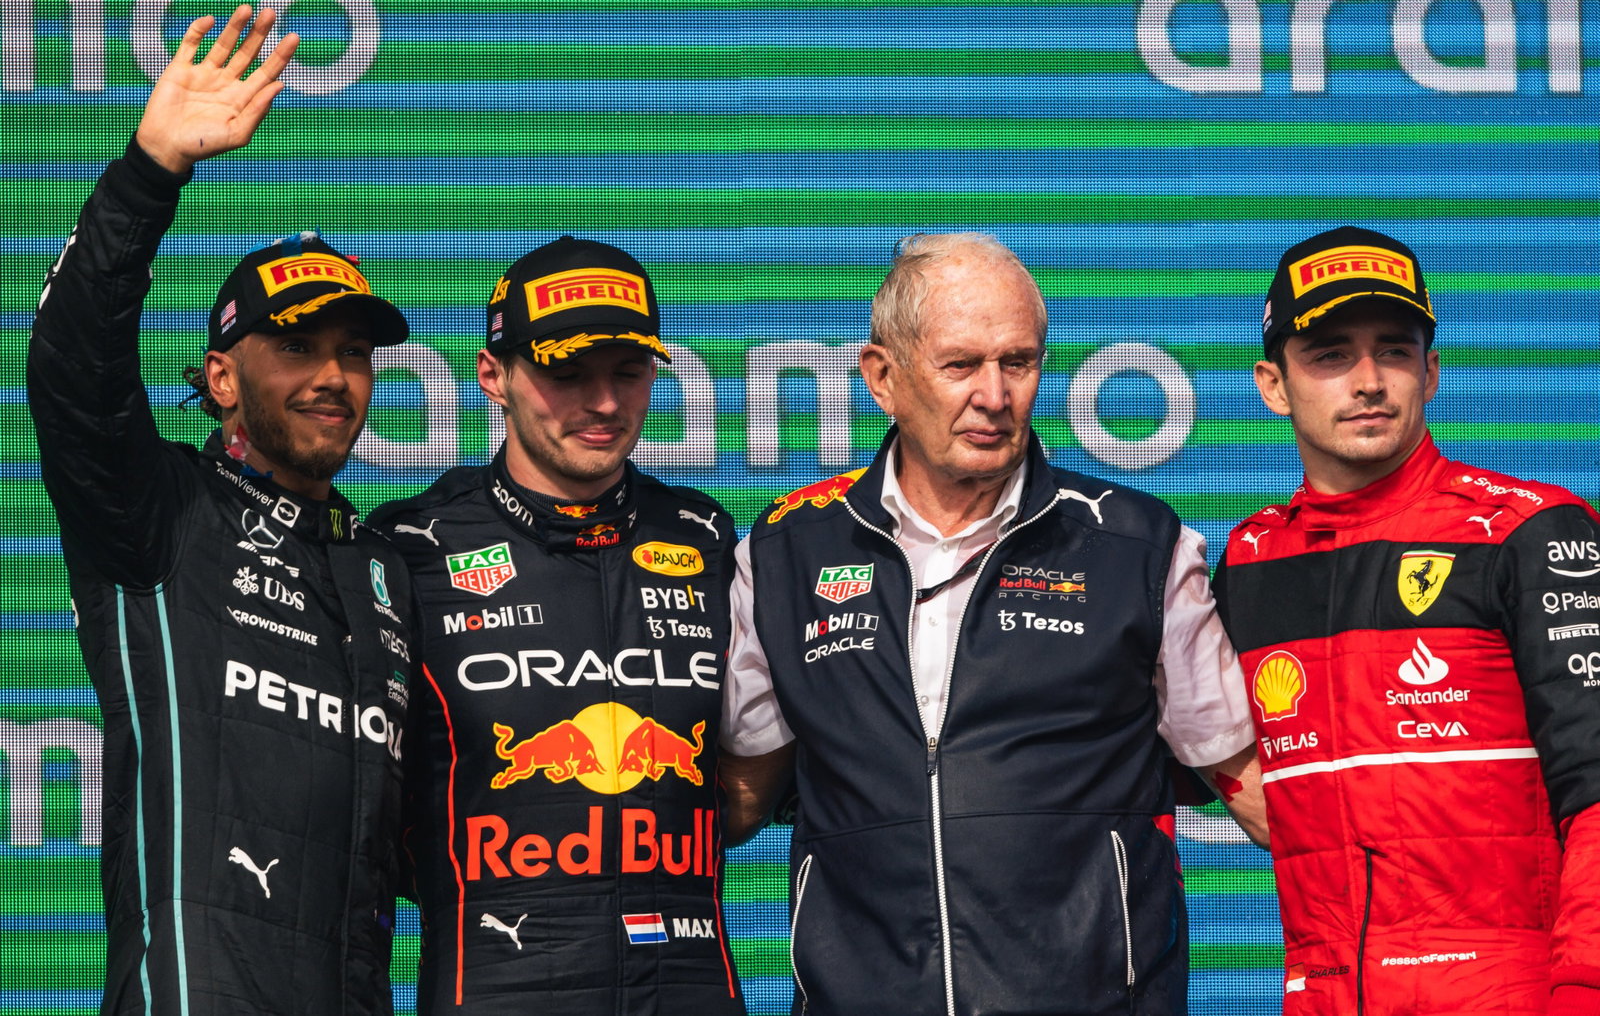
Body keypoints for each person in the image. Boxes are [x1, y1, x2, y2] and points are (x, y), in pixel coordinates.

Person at [718, 232, 1267, 1015]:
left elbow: (1253, 787)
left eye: (1018, 362)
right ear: (882, 378)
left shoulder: (1138, 547)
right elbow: (737, 803)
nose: (995, 395)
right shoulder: (782, 557)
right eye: (960, 365)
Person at [27, 6, 419, 1015]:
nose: (334, 376)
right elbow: (73, 368)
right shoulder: (159, 511)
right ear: (221, 376)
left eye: (355, 352)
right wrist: (149, 172)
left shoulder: (384, 567)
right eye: (297, 347)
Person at [1212, 225, 1600, 1013]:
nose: (1368, 380)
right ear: (1273, 385)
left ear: (1430, 372)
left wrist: (1585, 989)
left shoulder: (1528, 533)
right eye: (1328, 354)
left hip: (1510, 994)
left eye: (1393, 351)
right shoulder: (1251, 560)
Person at [370, 238, 744, 1014]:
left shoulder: (707, 537)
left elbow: (749, 773)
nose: (603, 403)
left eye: (629, 373)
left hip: (687, 986)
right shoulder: (413, 545)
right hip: (497, 982)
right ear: (492, 377)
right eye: (566, 374)